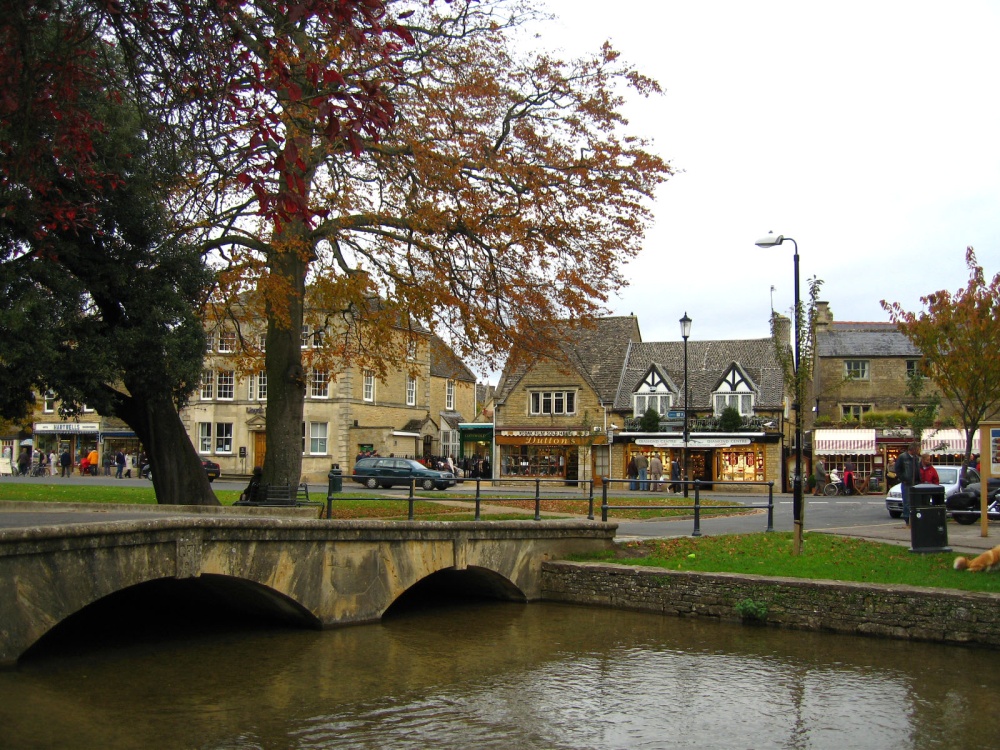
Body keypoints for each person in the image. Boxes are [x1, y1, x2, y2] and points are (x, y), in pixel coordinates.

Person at [893, 441, 920, 527]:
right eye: (918, 449)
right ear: (913, 449)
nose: (919, 451)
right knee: (907, 502)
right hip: (907, 482)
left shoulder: (916, 458)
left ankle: (914, 519)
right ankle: (907, 519)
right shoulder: (903, 457)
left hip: (916, 482)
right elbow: (897, 469)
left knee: (915, 502)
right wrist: (903, 479)